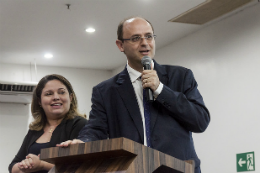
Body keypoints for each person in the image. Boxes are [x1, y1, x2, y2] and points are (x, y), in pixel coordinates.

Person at [58, 16, 210, 173]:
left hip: (178, 169)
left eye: (149, 36)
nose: (144, 43)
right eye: (136, 38)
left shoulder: (181, 76)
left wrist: (160, 90)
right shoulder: (105, 91)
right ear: (120, 45)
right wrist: (83, 142)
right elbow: (96, 129)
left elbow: (200, 121)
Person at [9, 74, 87, 173]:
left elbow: (81, 166)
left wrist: (42, 165)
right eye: (48, 94)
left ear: (71, 98)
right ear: (39, 101)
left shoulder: (80, 124)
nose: (56, 97)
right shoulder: (35, 129)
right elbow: (13, 165)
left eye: (61, 92)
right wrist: (25, 165)